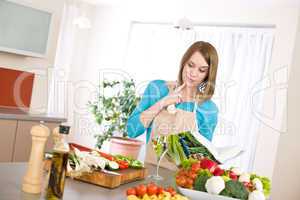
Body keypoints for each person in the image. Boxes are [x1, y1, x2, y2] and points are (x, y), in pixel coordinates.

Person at [126, 41, 219, 170]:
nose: (193, 73)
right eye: (190, 65)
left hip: (181, 183)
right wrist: (162, 102)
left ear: (208, 74)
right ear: (183, 63)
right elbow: (131, 131)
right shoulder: (157, 89)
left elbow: (203, 159)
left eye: (201, 70)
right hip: (149, 175)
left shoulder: (209, 109)